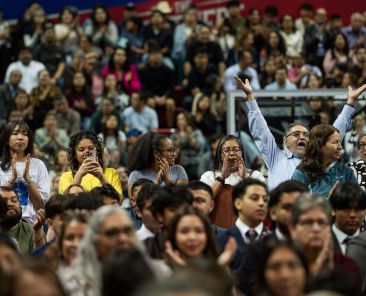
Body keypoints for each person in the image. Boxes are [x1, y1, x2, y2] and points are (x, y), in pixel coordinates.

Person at [234, 76, 366, 189]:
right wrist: (250, 98)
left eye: (306, 135)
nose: (302, 137)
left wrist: (350, 103)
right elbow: (261, 130)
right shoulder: (275, 157)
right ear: (285, 141)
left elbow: (334, 133)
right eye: (296, 134)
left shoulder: (317, 159)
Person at [288, 193, 361, 294]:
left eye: (322, 222)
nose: (316, 229)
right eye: (308, 222)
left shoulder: (347, 267)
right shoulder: (281, 265)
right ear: (292, 229)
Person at [62, 206, 139, 295]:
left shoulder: (151, 272)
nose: (122, 238)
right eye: (112, 233)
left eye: (127, 231)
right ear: (95, 241)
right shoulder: (65, 283)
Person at [200, 135, 265, 228]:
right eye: (226, 150)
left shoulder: (255, 175)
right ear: (220, 155)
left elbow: (261, 201)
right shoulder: (209, 176)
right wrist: (221, 178)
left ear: (242, 153)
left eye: (236, 149)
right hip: (218, 233)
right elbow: (203, 200)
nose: (231, 153)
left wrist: (245, 178)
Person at [0, 121, 49, 223]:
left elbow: (40, 205)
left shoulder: (38, 165)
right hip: (4, 223)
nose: (21, 137)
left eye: (25, 134)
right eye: (15, 133)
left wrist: (28, 179)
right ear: (6, 140)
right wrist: (12, 179)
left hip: (31, 224)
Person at [292, 124, 357, 197]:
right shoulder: (301, 174)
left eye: (340, 142)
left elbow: (357, 200)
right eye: (335, 142)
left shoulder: (346, 171)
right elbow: (295, 205)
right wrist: (328, 200)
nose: (340, 147)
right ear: (320, 145)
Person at [217, 178, 269, 270]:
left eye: (265, 200)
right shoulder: (221, 241)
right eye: (254, 198)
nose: (262, 203)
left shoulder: (275, 241)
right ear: (238, 203)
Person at [58, 130, 122, 195]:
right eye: (81, 149)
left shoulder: (112, 173)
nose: (86, 152)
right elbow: (66, 201)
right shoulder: (66, 176)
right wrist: (79, 174)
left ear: (97, 151)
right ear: (74, 154)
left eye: (91, 148)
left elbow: (119, 201)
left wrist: (102, 178)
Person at [126, 132, 188, 196]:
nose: (174, 154)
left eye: (174, 150)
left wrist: (167, 181)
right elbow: (134, 203)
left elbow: (184, 198)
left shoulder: (178, 170)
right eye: (169, 150)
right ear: (156, 153)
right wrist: (157, 184)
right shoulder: (135, 175)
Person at [144, 185, 193, 259]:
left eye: (186, 210)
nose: (182, 214)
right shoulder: (145, 249)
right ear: (160, 215)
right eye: (174, 210)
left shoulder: (198, 244)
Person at [0, 186, 45, 255]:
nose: (10, 204)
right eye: (4, 201)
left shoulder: (32, 230)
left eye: (14, 200)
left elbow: (43, 261)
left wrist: (38, 232)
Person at [328, 182, 366, 254]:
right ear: (333, 209)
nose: (352, 215)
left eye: (358, 209)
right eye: (346, 209)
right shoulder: (320, 241)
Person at [171, 112, 206, 180]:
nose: (179, 122)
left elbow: (200, 146)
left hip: (196, 162)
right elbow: (172, 150)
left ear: (187, 120)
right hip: (182, 163)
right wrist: (180, 138)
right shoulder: (174, 135)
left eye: (181, 119)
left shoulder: (197, 133)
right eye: (178, 120)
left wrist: (189, 135)